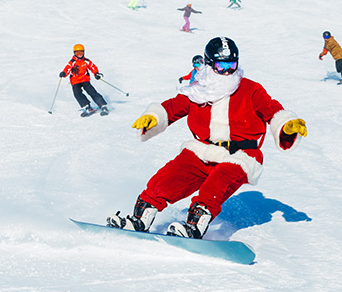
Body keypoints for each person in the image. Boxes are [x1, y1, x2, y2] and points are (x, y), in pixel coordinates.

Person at [106, 37, 308, 239]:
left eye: (232, 65)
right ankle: (140, 219)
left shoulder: (250, 89)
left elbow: (272, 110)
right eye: (221, 65)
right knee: (169, 177)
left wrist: (286, 125)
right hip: (202, 150)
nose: (228, 71)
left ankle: (194, 226)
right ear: (209, 64)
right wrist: (154, 117)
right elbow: (172, 108)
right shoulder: (197, 91)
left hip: (240, 155)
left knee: (217, 183)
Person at [59, 44, 108, 116]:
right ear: (74, 53)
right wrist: (63, 73)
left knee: (92, 92)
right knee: (77, 93)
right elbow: (67, 68)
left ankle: (102, 105)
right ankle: (87, 106)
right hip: (75, 81)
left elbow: (93, 67)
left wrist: (96, 73)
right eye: (77, 53)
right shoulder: (72, 62)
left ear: (84, 52)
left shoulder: (86, 61)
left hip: (85, 79)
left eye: (81, 52)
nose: (79, 54)